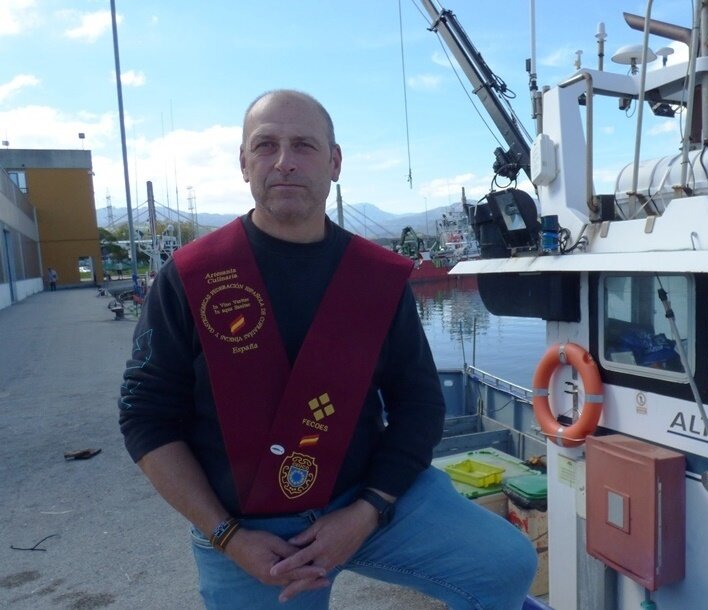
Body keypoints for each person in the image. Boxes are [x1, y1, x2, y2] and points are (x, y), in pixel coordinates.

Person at [119, 90, 536, 609]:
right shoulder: (190, 277)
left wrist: (367, 511)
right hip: (246, 529)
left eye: (304, 146)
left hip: (366, 498)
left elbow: (420, 405)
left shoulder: (376, 279)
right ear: (243, 163)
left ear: (334, 162)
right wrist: (227, 535)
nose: (285, 161)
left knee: (508, 564)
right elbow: (144, 417)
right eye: (266, 145)